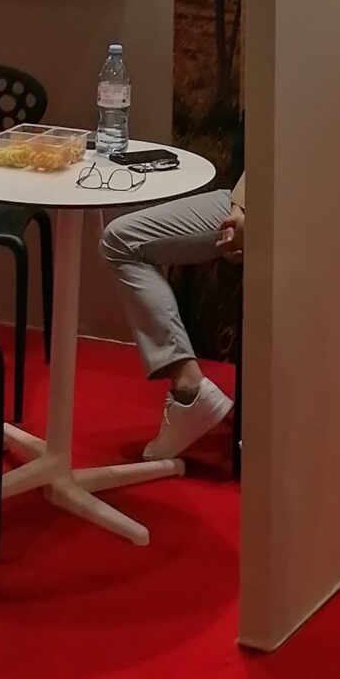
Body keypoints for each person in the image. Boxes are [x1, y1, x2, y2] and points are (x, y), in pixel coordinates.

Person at [100, 171, 244, 461]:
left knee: (121, 242)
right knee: (121, 238)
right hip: (253, 193)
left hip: (294, 205)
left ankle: (188, 389)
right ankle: (188, 387)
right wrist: (241, 203)